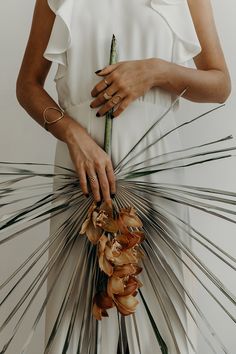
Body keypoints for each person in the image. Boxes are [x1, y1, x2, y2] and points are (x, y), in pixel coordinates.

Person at [16, 0, 231, 353]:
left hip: (157, 172)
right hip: (82, 173)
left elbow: (219, 84)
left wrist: (156, 71)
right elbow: (27, 85)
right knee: (74, 319)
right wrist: (71, 133)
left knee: (163, 318)